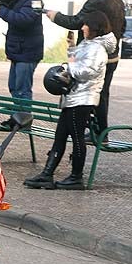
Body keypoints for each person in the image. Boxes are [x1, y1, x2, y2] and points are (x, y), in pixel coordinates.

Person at [24, 11, 112, 191]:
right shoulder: (88, 44)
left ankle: (76, 177)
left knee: (77, 138)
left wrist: (67, 68)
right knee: (60, 136)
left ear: (95, 27)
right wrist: (71, 48)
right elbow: (76, 62)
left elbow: (86, 71)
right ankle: (47, 174)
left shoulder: (98, 48)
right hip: (73, 97)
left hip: (83, 99)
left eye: (86, 24)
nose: (83, 27)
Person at [47, 0, 126, 133]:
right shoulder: (118, 1)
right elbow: (123, 27)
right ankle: (97, 132)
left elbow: (76, 22)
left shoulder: (96, 1)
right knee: (102, 94)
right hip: (112, 57)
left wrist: (55, 15)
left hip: (94, 56)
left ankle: (94, 132)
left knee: (88, 96)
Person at [0, 0, 44, 125]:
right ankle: (17, 118)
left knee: (22, 89)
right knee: (14, 86)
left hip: (27, 52)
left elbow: (24, 20)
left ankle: (24, 122)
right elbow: (13, 10)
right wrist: (2, 1)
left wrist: (1, 12)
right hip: (19, 51)